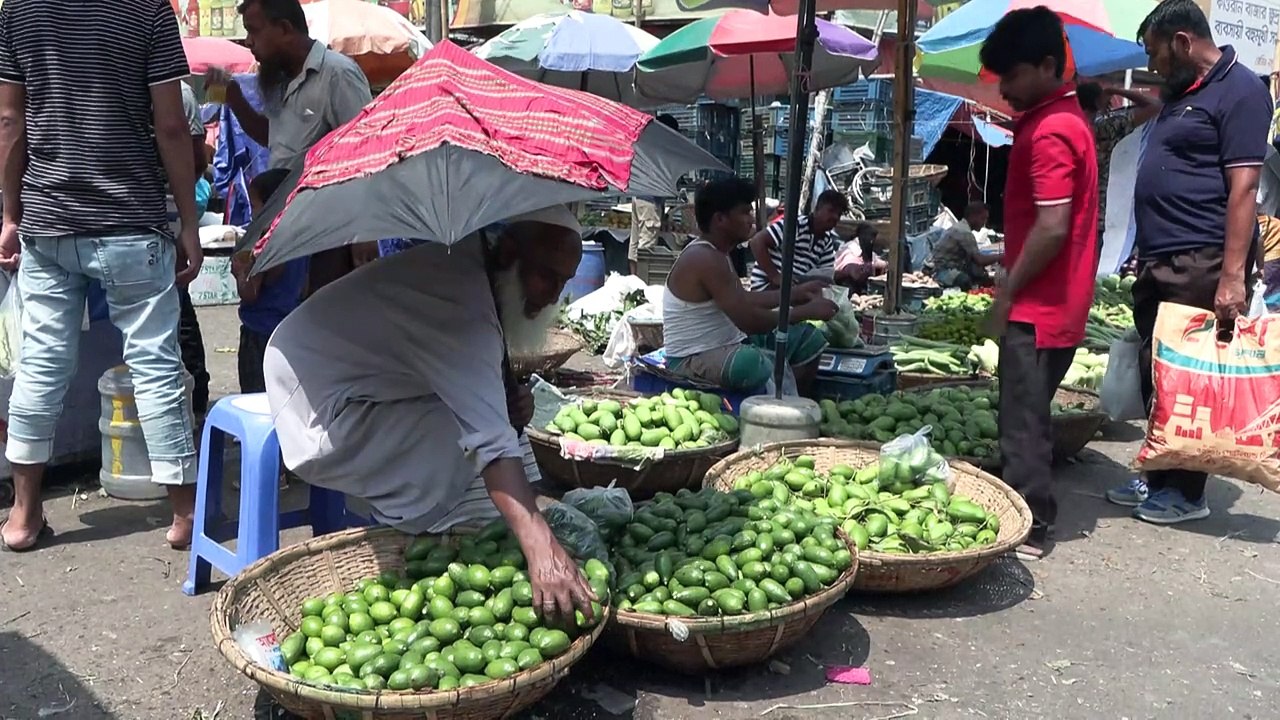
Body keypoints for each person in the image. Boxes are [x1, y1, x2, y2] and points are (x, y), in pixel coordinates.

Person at [264, 205, 593, 623]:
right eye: (547, 275)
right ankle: (434, 539)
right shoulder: (456, 295)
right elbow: (490, 442)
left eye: (565, 282)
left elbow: (480, 364)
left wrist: (506, 397)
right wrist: (541, 547)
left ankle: (483, 526)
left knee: (494, 427)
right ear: (510, 252)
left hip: (367, 381)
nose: (552, 295)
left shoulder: (479, 263)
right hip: (313, 405)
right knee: (469, 439)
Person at [0, 0, 203, 551]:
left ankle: (22, 517)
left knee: (41, 365)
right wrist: (188, 221)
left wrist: (12, 214)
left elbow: (11, 119)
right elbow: (170, 124)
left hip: (49, 221)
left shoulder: (20, 10)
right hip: (130, 219)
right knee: (156, 363)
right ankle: (184, 516)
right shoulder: (147, 10)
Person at [1104, 0, 1271, 524]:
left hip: (1203, 259)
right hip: (1161, 257)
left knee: (1191, 378)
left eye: (1155, 54)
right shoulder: (1183, 93)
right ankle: (1158, 474)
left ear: (1182, 42)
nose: (1152, 66)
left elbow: (1244, 188)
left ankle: (1186, 492)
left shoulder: (1242, 91)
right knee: (1159, 372)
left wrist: (1231, 279)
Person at [979, 7, 1100, 558]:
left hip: (1039, 306)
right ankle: (1029, 514)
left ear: (1048, 66)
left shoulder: (1052, 131)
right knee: (1030, 412)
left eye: (1013, 76)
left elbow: (1052, 227)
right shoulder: (1066, 119)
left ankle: (1031, 526)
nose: (1004, 90)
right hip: (1057, 302)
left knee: (1022, 422)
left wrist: (1007, 291)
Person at [208, 0, 373, 296]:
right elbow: (276, 140)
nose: (248, 42)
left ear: (284, 29)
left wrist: (364, 233)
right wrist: (234, 100)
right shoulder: (281, 79)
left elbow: (364, 150)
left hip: (331, 233)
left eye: (254, 31)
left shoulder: (337, 74)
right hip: (288, 226)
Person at [664, 177, 838, 396]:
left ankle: (793, 407)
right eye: (745, 212)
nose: (752, 220)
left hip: (727, 343)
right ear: (720, 219)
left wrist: (794, 294)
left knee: (808, 339)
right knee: (752, 362)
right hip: (692, 358)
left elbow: (743, 298)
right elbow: (750, 321)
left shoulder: (719, 253)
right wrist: (804, 312)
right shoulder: (704, 257)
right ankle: (772, 409)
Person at [231, 168, 308, 394]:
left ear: (271, 206)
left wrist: (239, 271)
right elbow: (305, 286)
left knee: (258, 397)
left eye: (254, 205)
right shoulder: (300, 238)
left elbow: (250, 292)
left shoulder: (264, 242)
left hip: (259, 333)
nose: (252, 212)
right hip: (290, 330)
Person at [175, 80, 212, 417]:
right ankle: (195, 396)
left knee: (177, 307)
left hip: (168, 213)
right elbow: (197, 160)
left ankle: (196, 393)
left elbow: (198, 159)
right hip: (161, 213)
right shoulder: (180, 92)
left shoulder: (181, 94)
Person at [748, 189, 848, 291]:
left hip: (793, 286)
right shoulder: (795, 225)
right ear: (817, 209)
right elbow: (756, 242)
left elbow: (825, 274)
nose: (835, 217)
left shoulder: (826, 242)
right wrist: (775, 276)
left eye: (839, 214)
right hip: (766, 286)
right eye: (831, 211)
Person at [628, 114, 681, 276]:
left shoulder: (647, 144)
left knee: (635, 243)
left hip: (639, 196)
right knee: (646, 246)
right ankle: (642, 285)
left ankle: (633, 280)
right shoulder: (661, 148)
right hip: (650, 200)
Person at [928, 201, 1003, 289]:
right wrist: (1001, 256)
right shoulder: (964, 232)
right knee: (965, 280)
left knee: (980, 274)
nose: (984, 223)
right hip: (939, 271)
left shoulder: (961, 227)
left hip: (951, 266)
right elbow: (980, 260)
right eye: (983, 218)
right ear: (973, 216)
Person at [834, 222, 887, 292]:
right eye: (872, 238)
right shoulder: (851, 249)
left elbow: (878, 262)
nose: (873, 241)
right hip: (845, 286)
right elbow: (854, 274)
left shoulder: (865, 248)